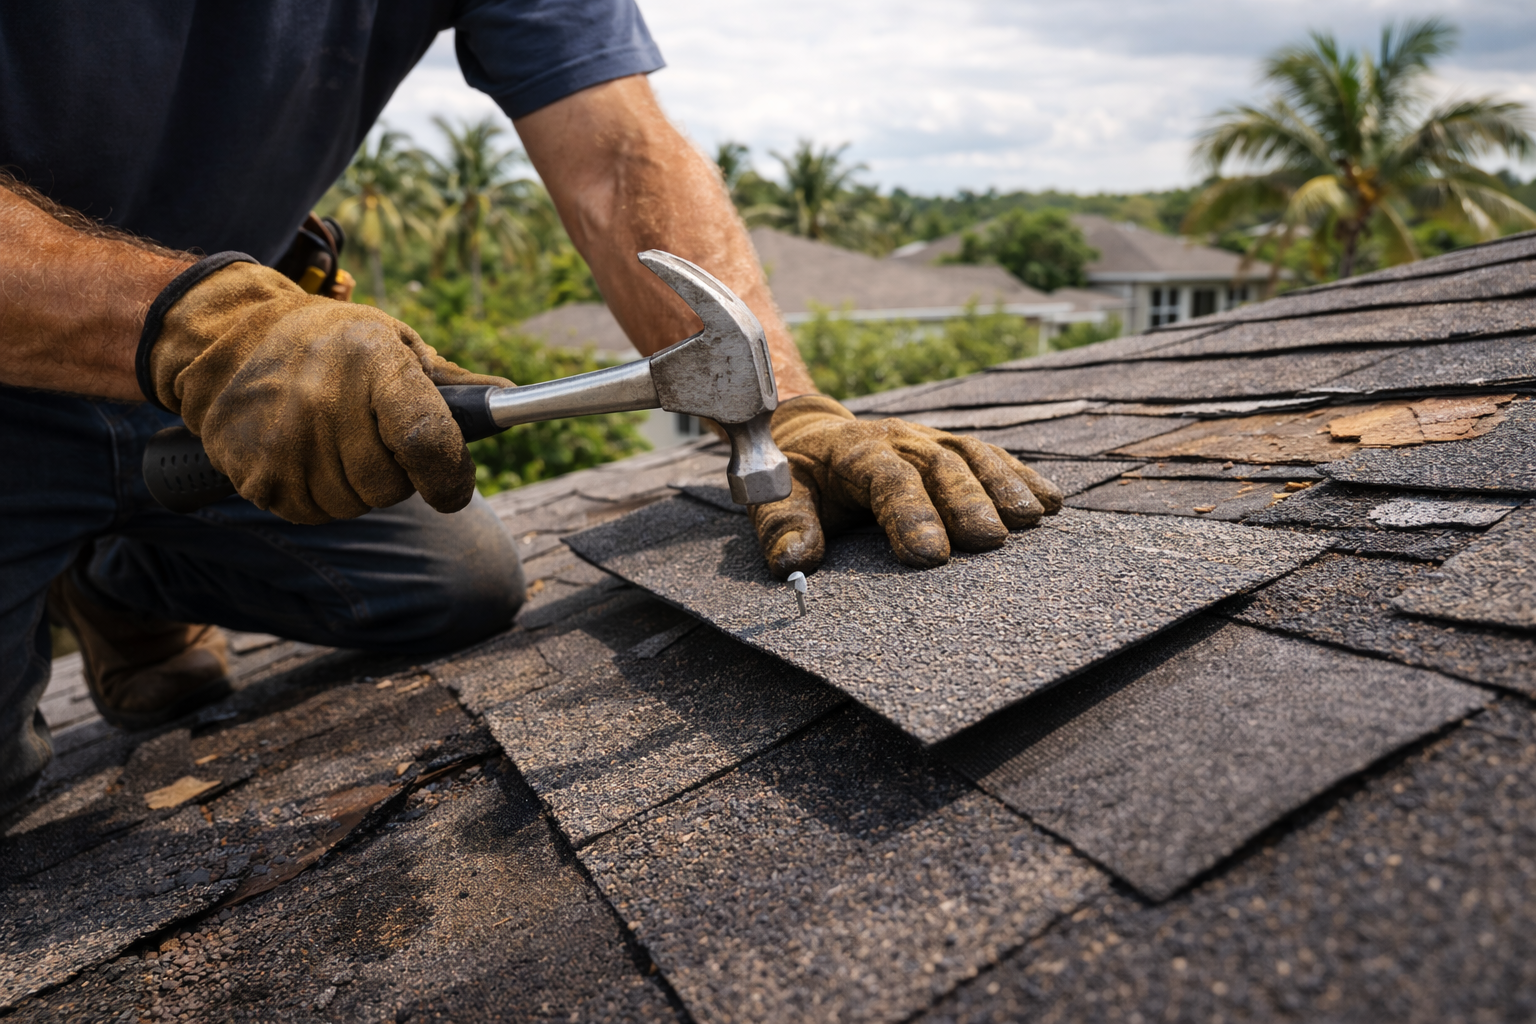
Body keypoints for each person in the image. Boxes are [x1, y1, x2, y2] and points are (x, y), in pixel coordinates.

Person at [0, 2, 1060, 816]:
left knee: (460, 586)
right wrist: (199, 326)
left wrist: (788, 407)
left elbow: (614, 151)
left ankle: (114, 572)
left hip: (242, 393)